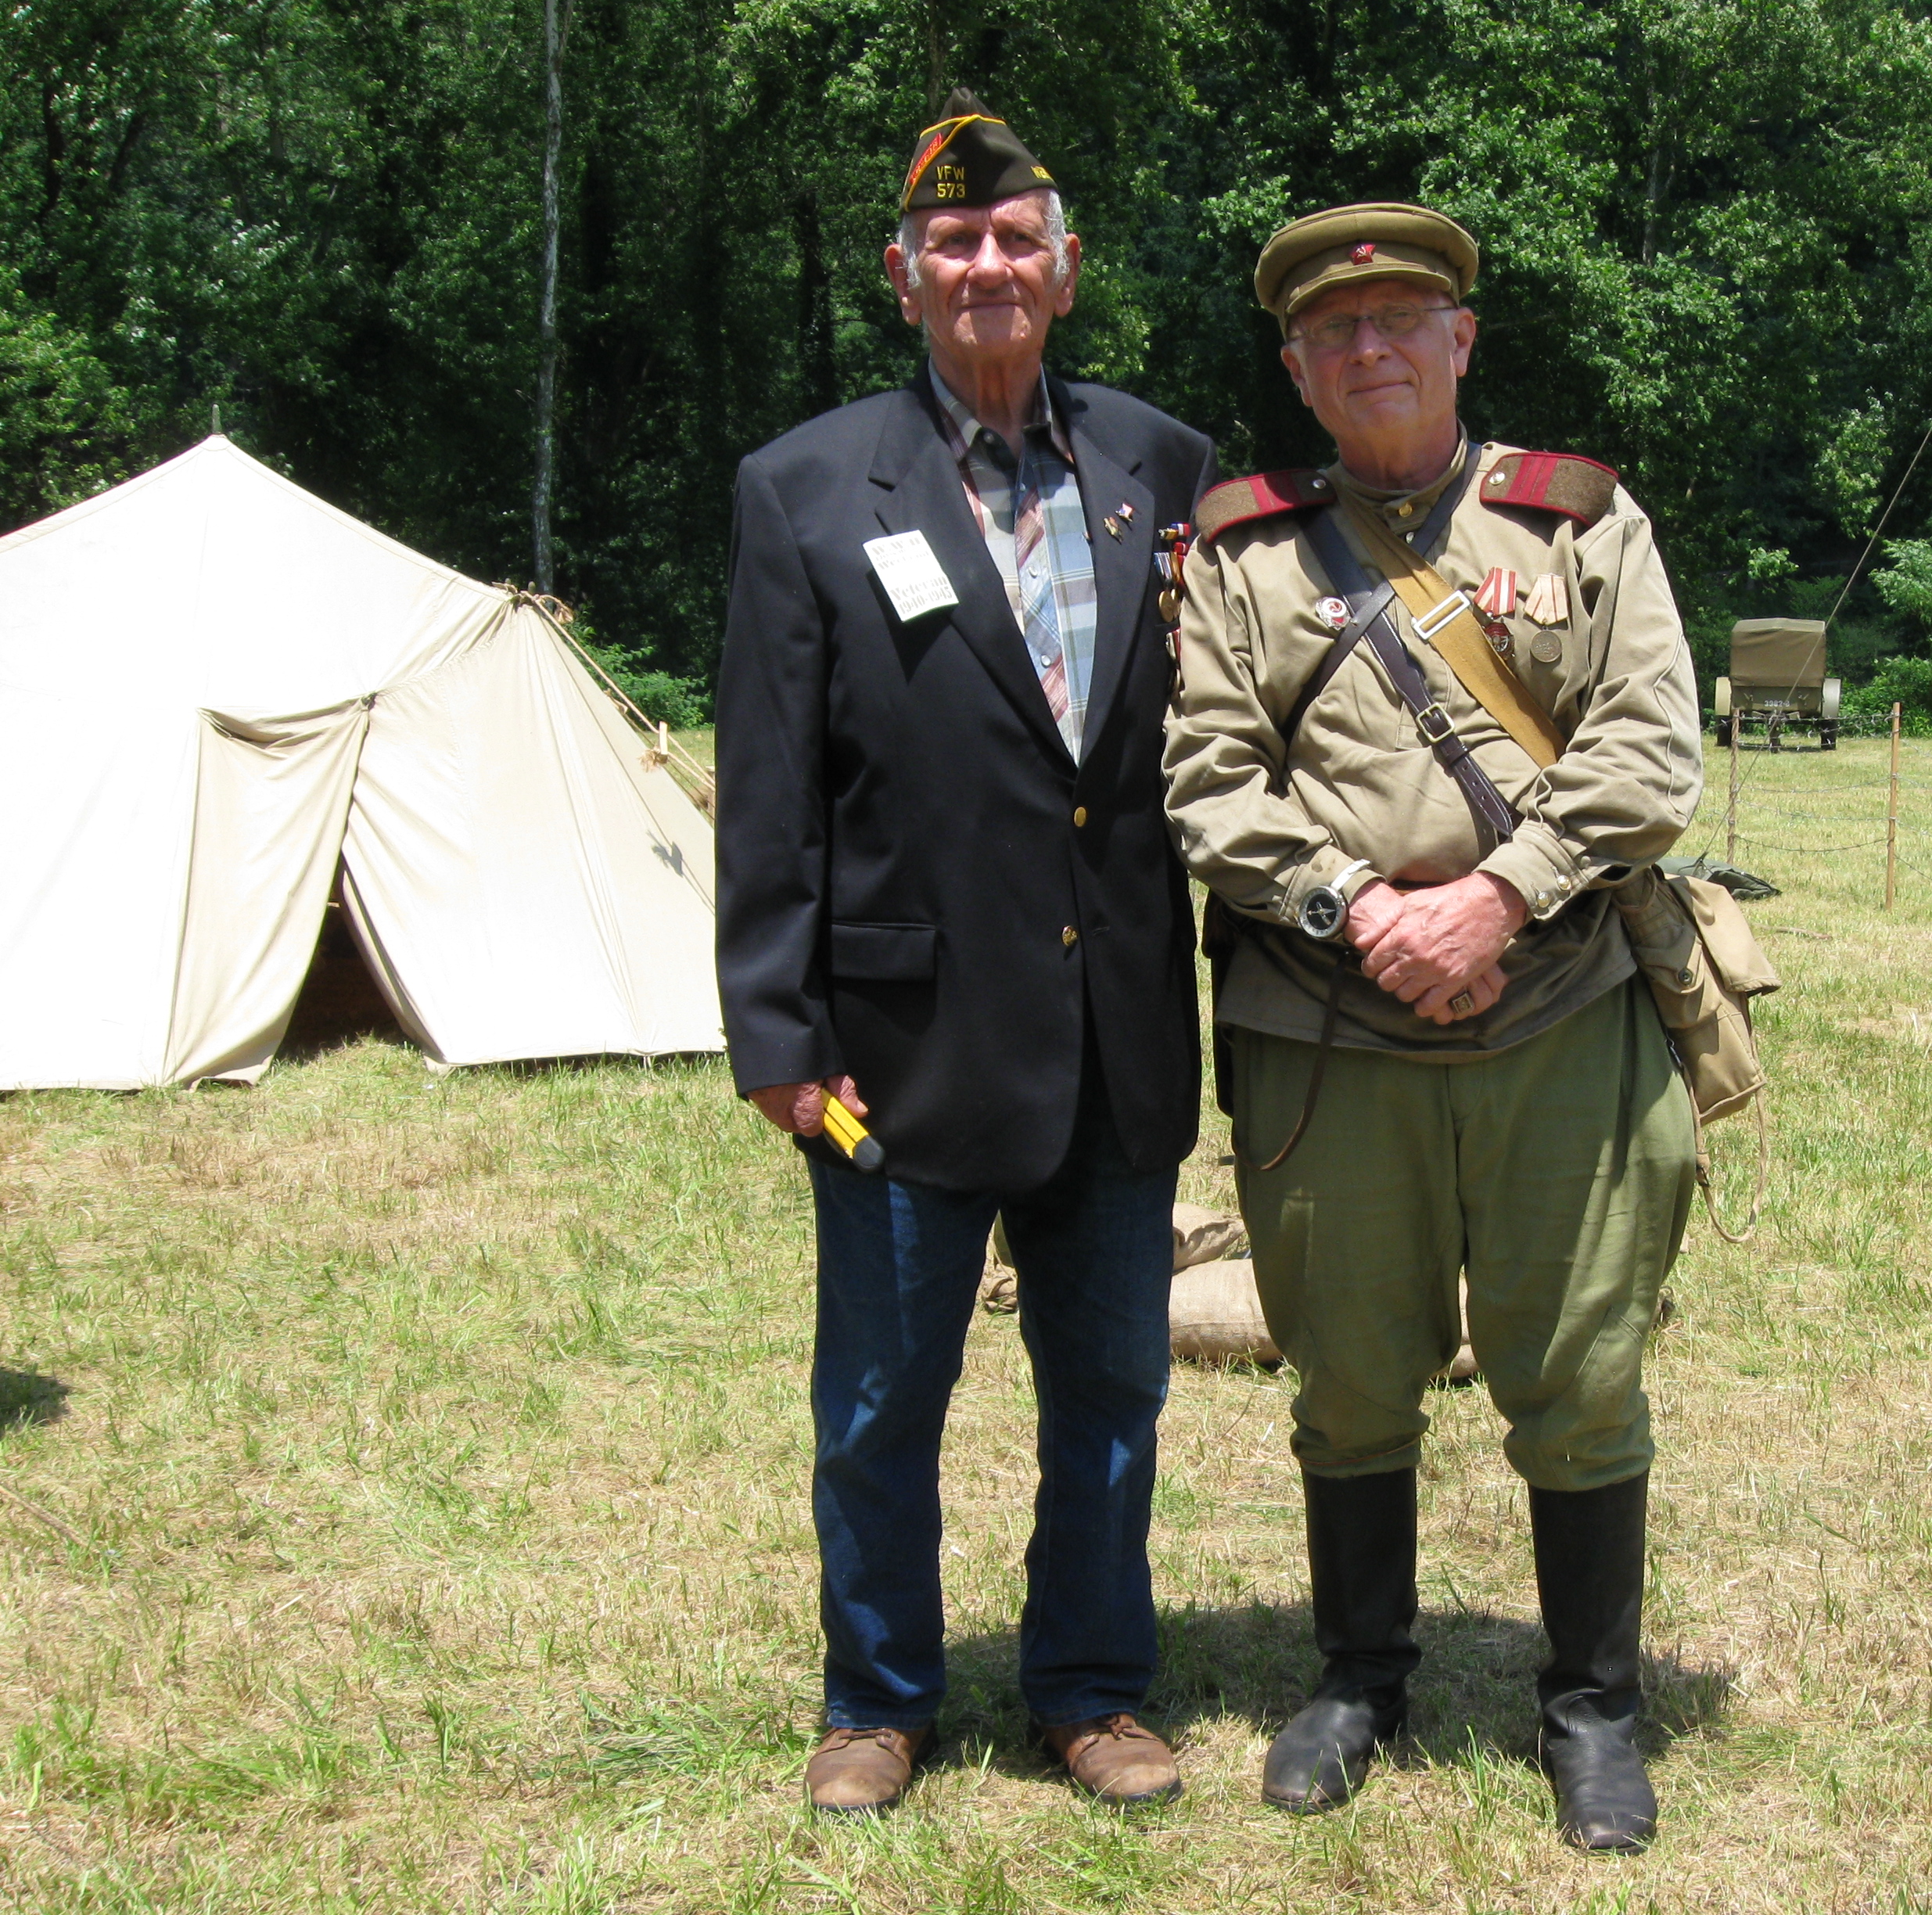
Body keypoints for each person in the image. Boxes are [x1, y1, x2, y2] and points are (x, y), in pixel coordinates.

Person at [1159, 203, 1701, 1852]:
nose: (1372, 347)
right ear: (1299, 369)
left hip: (1561, 1013)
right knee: (1348, 1367)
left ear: (1463, 339)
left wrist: (1499, 895)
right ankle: (1359, 1679)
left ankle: (1595, 1709)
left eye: (1403, 319)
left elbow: (1648, 751)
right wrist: (1363, 910)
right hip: (1333, 1030)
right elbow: (1206, 777)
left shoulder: (1584, 523)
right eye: (1338, 333)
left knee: (1582, 1363)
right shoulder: (1244, 556)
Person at [716, 91, 1214, 1819]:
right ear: (903, 275)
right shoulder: (802, 488)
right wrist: (775, 1032)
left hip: (1118, 1033)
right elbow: (770, 782)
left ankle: (1090, 1687)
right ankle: (879, 1696)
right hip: (895, 1044)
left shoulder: (1165, 468)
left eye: (1018, 241)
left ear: (1066, 274)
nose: (987, 265)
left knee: (1115, 1395)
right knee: (877, 1402)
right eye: (955, 242)